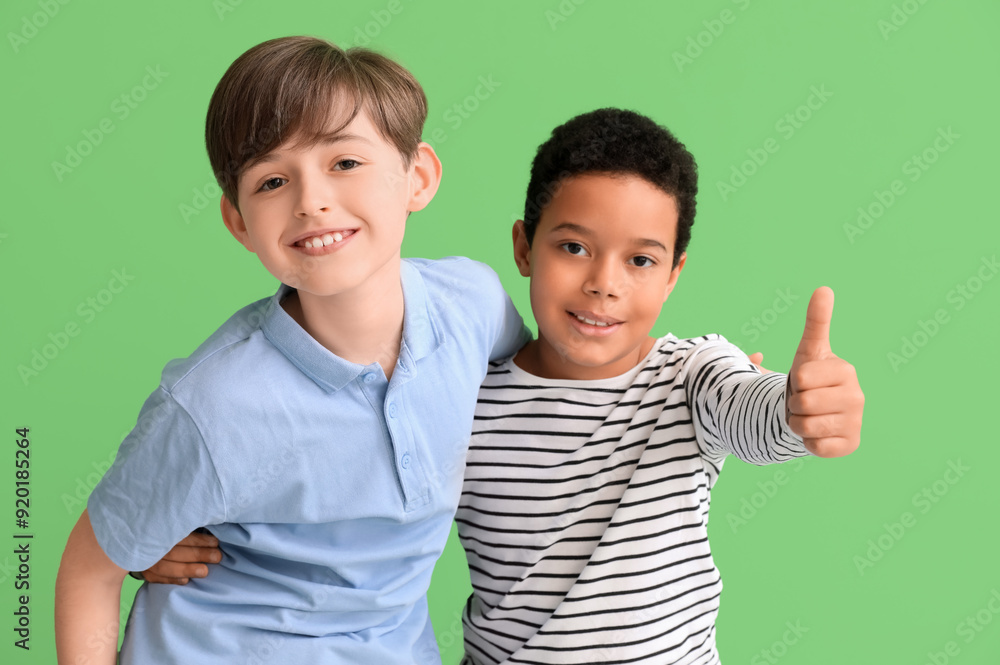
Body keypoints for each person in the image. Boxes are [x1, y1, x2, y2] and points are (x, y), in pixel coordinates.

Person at [142, 109, 864, 664]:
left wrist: (800, 411)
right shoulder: (459, 391)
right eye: (572, 247)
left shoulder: (692, 376)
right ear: (523, 247)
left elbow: (756, 412)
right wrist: (153, 537)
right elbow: (329, 477)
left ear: (674, 274)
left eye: (641, 261)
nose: (603, 284)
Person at [54, 36, 529, 665]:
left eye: (345, 163)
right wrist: (142, 539)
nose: (311, 201)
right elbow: (89, 570)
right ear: (240, 222)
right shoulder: (214, 405)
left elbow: (544, 392)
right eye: (273, 180)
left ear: (418, 177)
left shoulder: (472, 303)